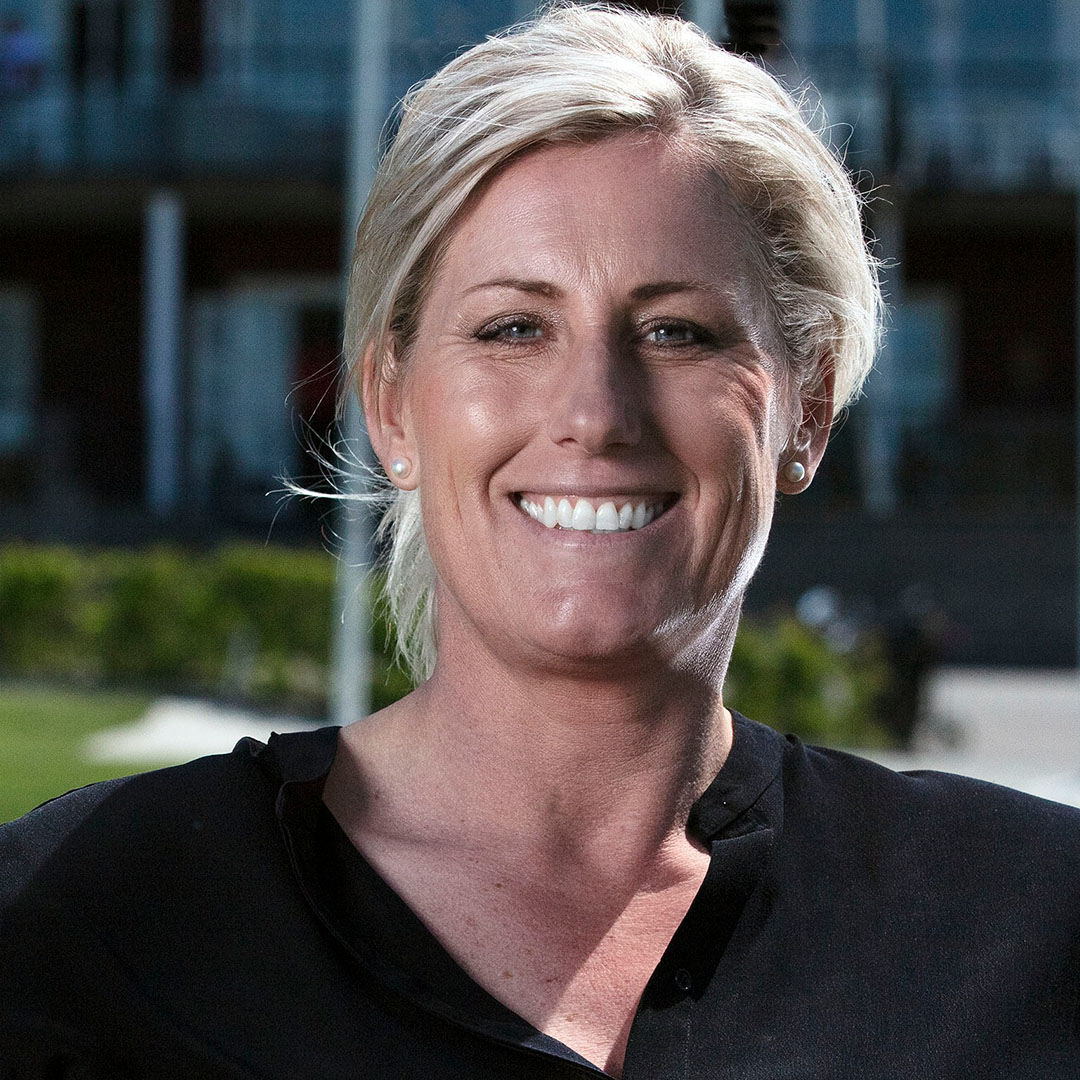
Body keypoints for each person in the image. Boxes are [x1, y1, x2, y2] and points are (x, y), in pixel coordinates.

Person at [2, 6, 1078, 1077]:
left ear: (809, 410)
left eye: (677, 332)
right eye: (514, 328)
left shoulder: (1022, 928)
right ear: (391, 407)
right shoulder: (86, 919)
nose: (595, 413)